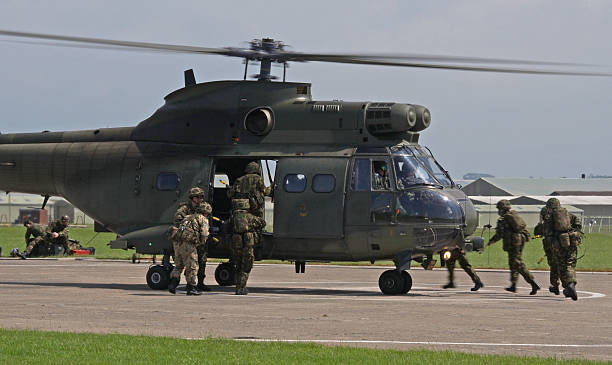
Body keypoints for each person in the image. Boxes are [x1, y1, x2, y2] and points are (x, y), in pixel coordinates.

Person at [488, 200, 540, 295]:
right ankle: (513, 285)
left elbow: (500, 234)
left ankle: (533, 283)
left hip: (513, 243)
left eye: (499, 209)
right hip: (519, 241)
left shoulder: (504, 219)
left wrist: (491, 241)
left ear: (502, 209)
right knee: (513, 264)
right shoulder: (514, 215)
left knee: (518, 264)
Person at [169, 187, 212, 292]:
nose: (201, 199)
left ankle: (199, 283)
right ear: (192, 198)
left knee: (201, 261)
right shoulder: (184, 209)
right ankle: (191, 286)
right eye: (198, 197)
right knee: (191, 264)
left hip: (195, 241)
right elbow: (177, 223)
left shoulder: (202, 208)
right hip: (186, 240)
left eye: (202, 197)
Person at [543, 198, 580, 300]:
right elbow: (578, 224)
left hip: (559, 246)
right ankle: (570, 286)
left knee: (561, 266)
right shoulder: (569, 215)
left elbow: (546, 233)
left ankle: (569, 286)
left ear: (550, 207)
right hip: (572, 243)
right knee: (570, 264)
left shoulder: (549, 218)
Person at [230, 198, 266, 295]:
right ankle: (242, 287)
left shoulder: (233, 217)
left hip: (236, 244)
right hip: (248, 245)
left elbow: (228, 227)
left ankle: (238, 287)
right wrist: (258, 213)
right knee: (246, 266)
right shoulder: (250, 217)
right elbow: (262, 223)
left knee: (238, 266)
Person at [538, 204, 561, 295]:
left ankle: (555, 285)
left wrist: (540, 223)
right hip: (562, 245)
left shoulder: (546, 223)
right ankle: (568, 284)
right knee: (563, 264)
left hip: (551, 247)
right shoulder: (560, 220)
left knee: (554, 266)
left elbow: (538, 232)